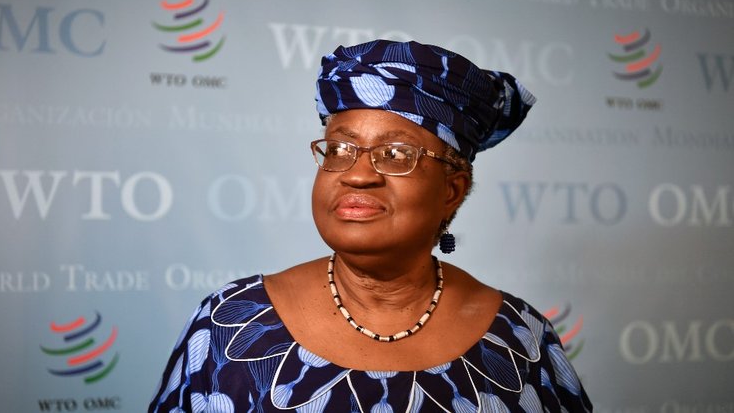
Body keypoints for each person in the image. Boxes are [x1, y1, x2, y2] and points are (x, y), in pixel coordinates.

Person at [149, 40, 592, 412]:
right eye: (340, 148)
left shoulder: (521, 339)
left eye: (397, 153)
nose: (357, 174)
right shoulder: (231, 324)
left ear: (451, 190)